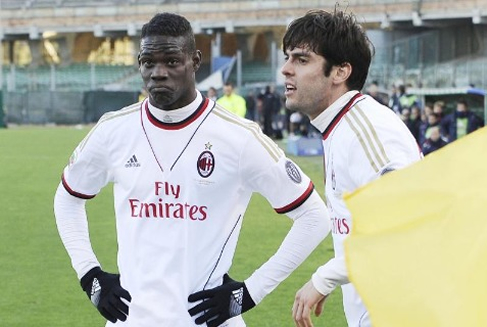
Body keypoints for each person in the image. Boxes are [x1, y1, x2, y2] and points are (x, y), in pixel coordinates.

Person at [54, 12, 331, 327]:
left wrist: (250, 292)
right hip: (130, 320)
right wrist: (89, 274)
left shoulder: (238, 137)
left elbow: (314, 217)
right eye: (148, 62)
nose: (158, 73)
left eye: (171, 61)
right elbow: (67, 197)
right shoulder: (113, 130)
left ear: (195, 61)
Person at [281, 9, 422, 327]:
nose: (286, 70)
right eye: (288, 58)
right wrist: (345, 269)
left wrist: (324, 278)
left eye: (302, 60)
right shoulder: (342, 126)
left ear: (341, 71)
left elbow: (405, 217)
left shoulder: (363, 127)